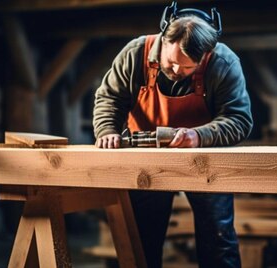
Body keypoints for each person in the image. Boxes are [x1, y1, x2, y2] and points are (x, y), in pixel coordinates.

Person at [92, 2, 252, 267]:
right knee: (141, 241)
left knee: (218, 241)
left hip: (205, 161)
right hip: (147, 161)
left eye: (188, 68)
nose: (178, 72)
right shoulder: (134, 54)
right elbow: (109, 99)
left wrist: (199, 136)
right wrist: (107, 130)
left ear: (206, 55)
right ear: (163, 40)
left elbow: (239, 119)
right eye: (172, 63)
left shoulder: (223, 62)